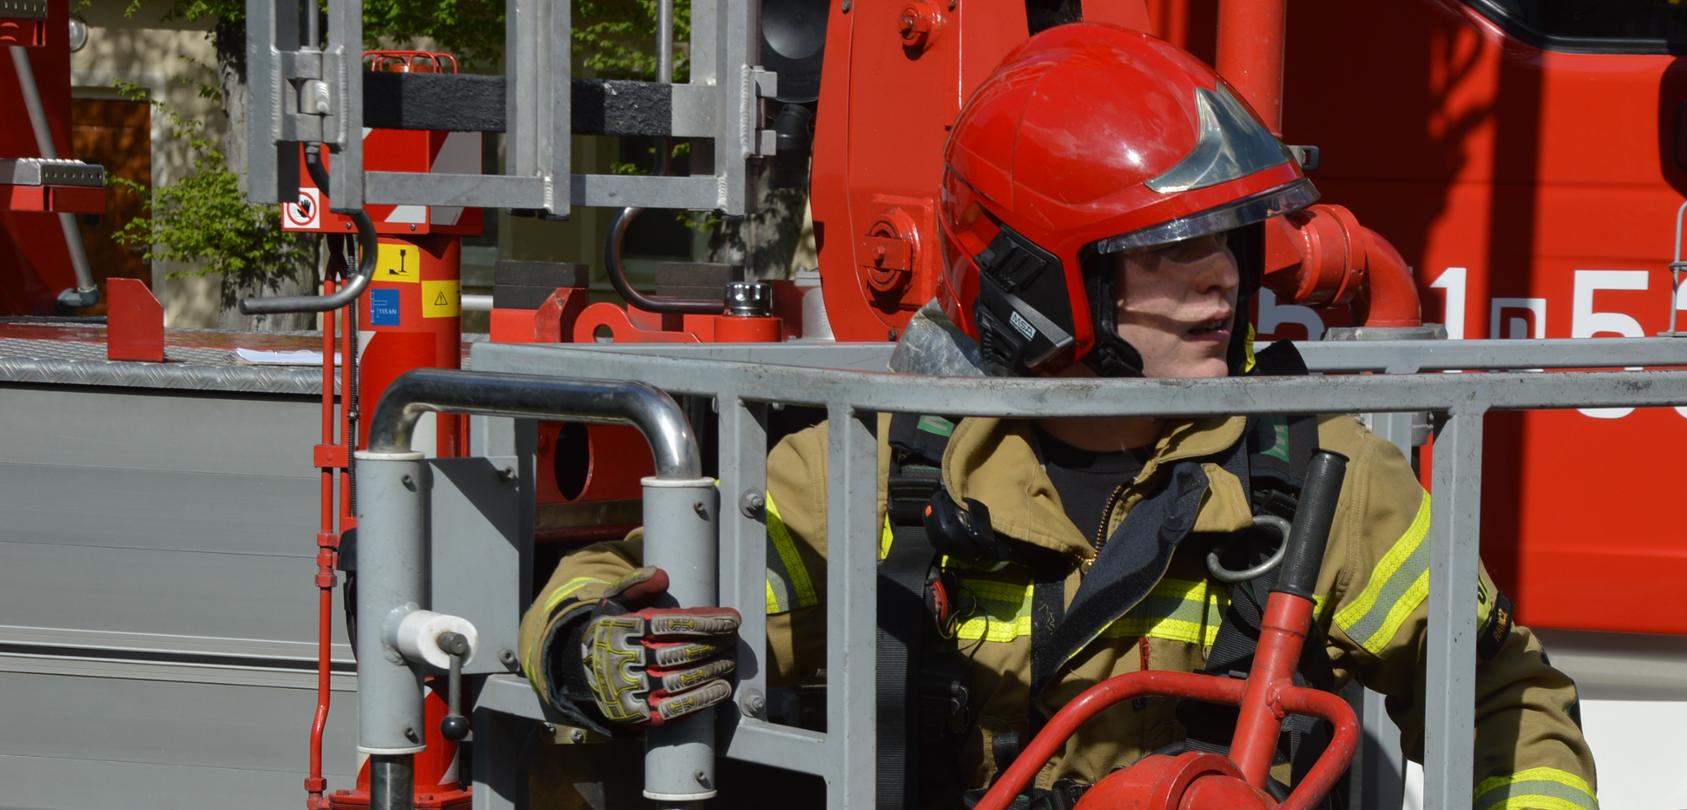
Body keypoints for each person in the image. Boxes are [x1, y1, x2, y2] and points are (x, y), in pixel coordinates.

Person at [518, 22, 1597, 809]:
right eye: (1169, 253)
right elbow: (645, 584)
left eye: (1227, 244)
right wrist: (591, 646)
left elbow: (1499, 685)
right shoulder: (886, 464)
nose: (1221, 284)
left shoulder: (1316, 472)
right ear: (1043, 281)